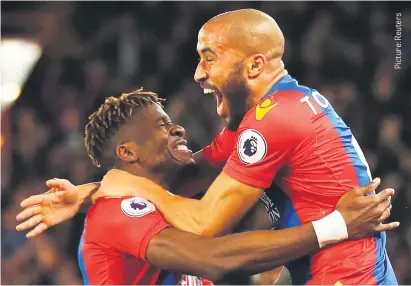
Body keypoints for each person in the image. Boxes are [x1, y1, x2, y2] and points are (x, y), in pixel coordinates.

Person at [17, 9, 398, 285]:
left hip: (348, 275)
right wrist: (93, 192)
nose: (198, 73)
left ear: (253, 66)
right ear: (129, 153)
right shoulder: (272, 110)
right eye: (162, 125)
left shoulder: (272, 120)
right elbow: (196, 183)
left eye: (209, 58)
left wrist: (129, 185)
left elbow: (203, 223)